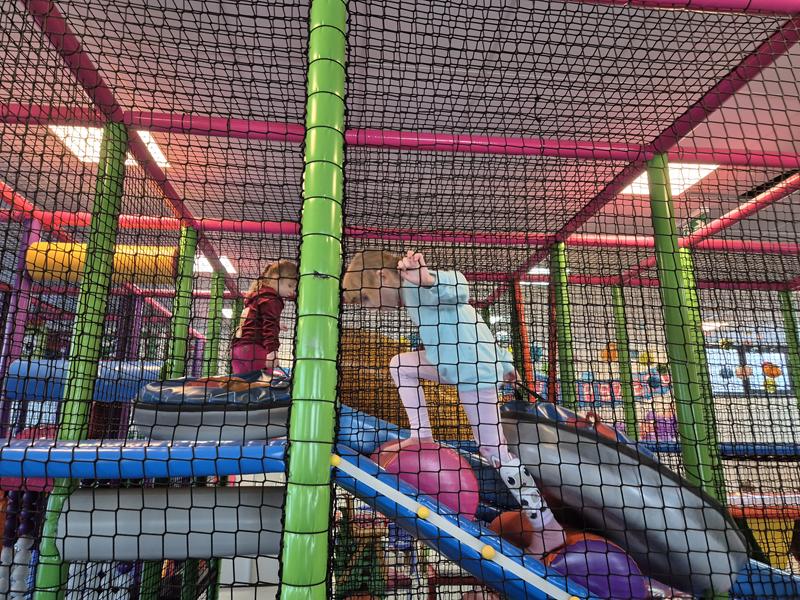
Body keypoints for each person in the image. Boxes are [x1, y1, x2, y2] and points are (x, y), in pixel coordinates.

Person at [342, 249, 565, 556]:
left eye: (366, 299)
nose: (371, 309)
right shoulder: (412, 296)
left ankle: (548, 527)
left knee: (494, 451)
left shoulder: (416, 286)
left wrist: (427, 278)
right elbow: (471, 321)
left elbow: (460, 288)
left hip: (473, 373)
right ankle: (421, 434)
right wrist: (505, 362)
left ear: (382, 276)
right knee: (401, 364)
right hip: (455, 365)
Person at [231, 259, 298, 376]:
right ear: (276, 278)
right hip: (254, 349)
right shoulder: (272, 299)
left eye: (293, 288)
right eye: (289, 285)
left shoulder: (258, 295)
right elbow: (269, 326)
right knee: (263, 383)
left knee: (243, 385)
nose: (291, 291)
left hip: (237, 350)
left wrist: (277, 323)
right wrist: (272, 350)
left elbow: (255, 319)